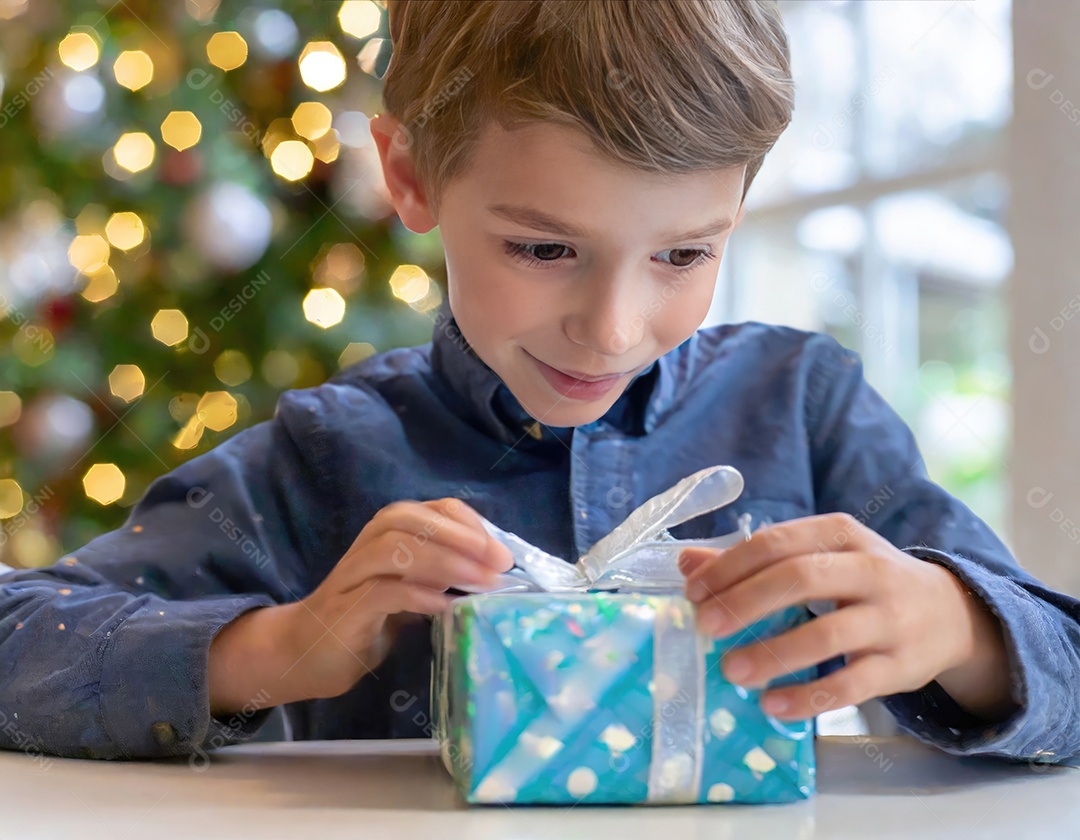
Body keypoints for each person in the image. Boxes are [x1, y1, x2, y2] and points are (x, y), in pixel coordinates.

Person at [1, 0, 1075, 765]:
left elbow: (1063, 662)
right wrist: (278, 647)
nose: (612, 331)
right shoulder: (323, 456)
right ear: (411, 174)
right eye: (545, 251)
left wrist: (961, 628)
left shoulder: (806, 407)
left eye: (683, 256)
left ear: (739, 207)